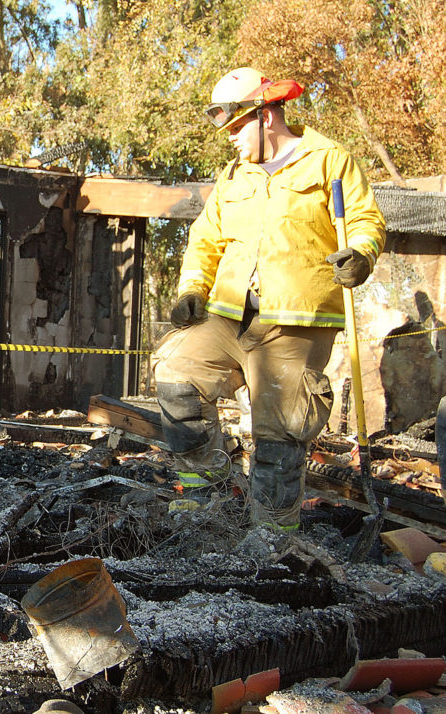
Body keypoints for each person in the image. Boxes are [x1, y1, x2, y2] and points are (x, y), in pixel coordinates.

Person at [153, 67, 386, 528]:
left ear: (266, 115)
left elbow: (365, 220)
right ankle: (207, 495)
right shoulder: (234, 175)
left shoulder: (328, 160)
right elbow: (206, 240)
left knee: (278, 437)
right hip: (228, 313)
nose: (232, 139)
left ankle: (273, 539)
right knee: (175, 373)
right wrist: (191, 290)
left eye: (237, 128)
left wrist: (361, 254)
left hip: (295, 319)